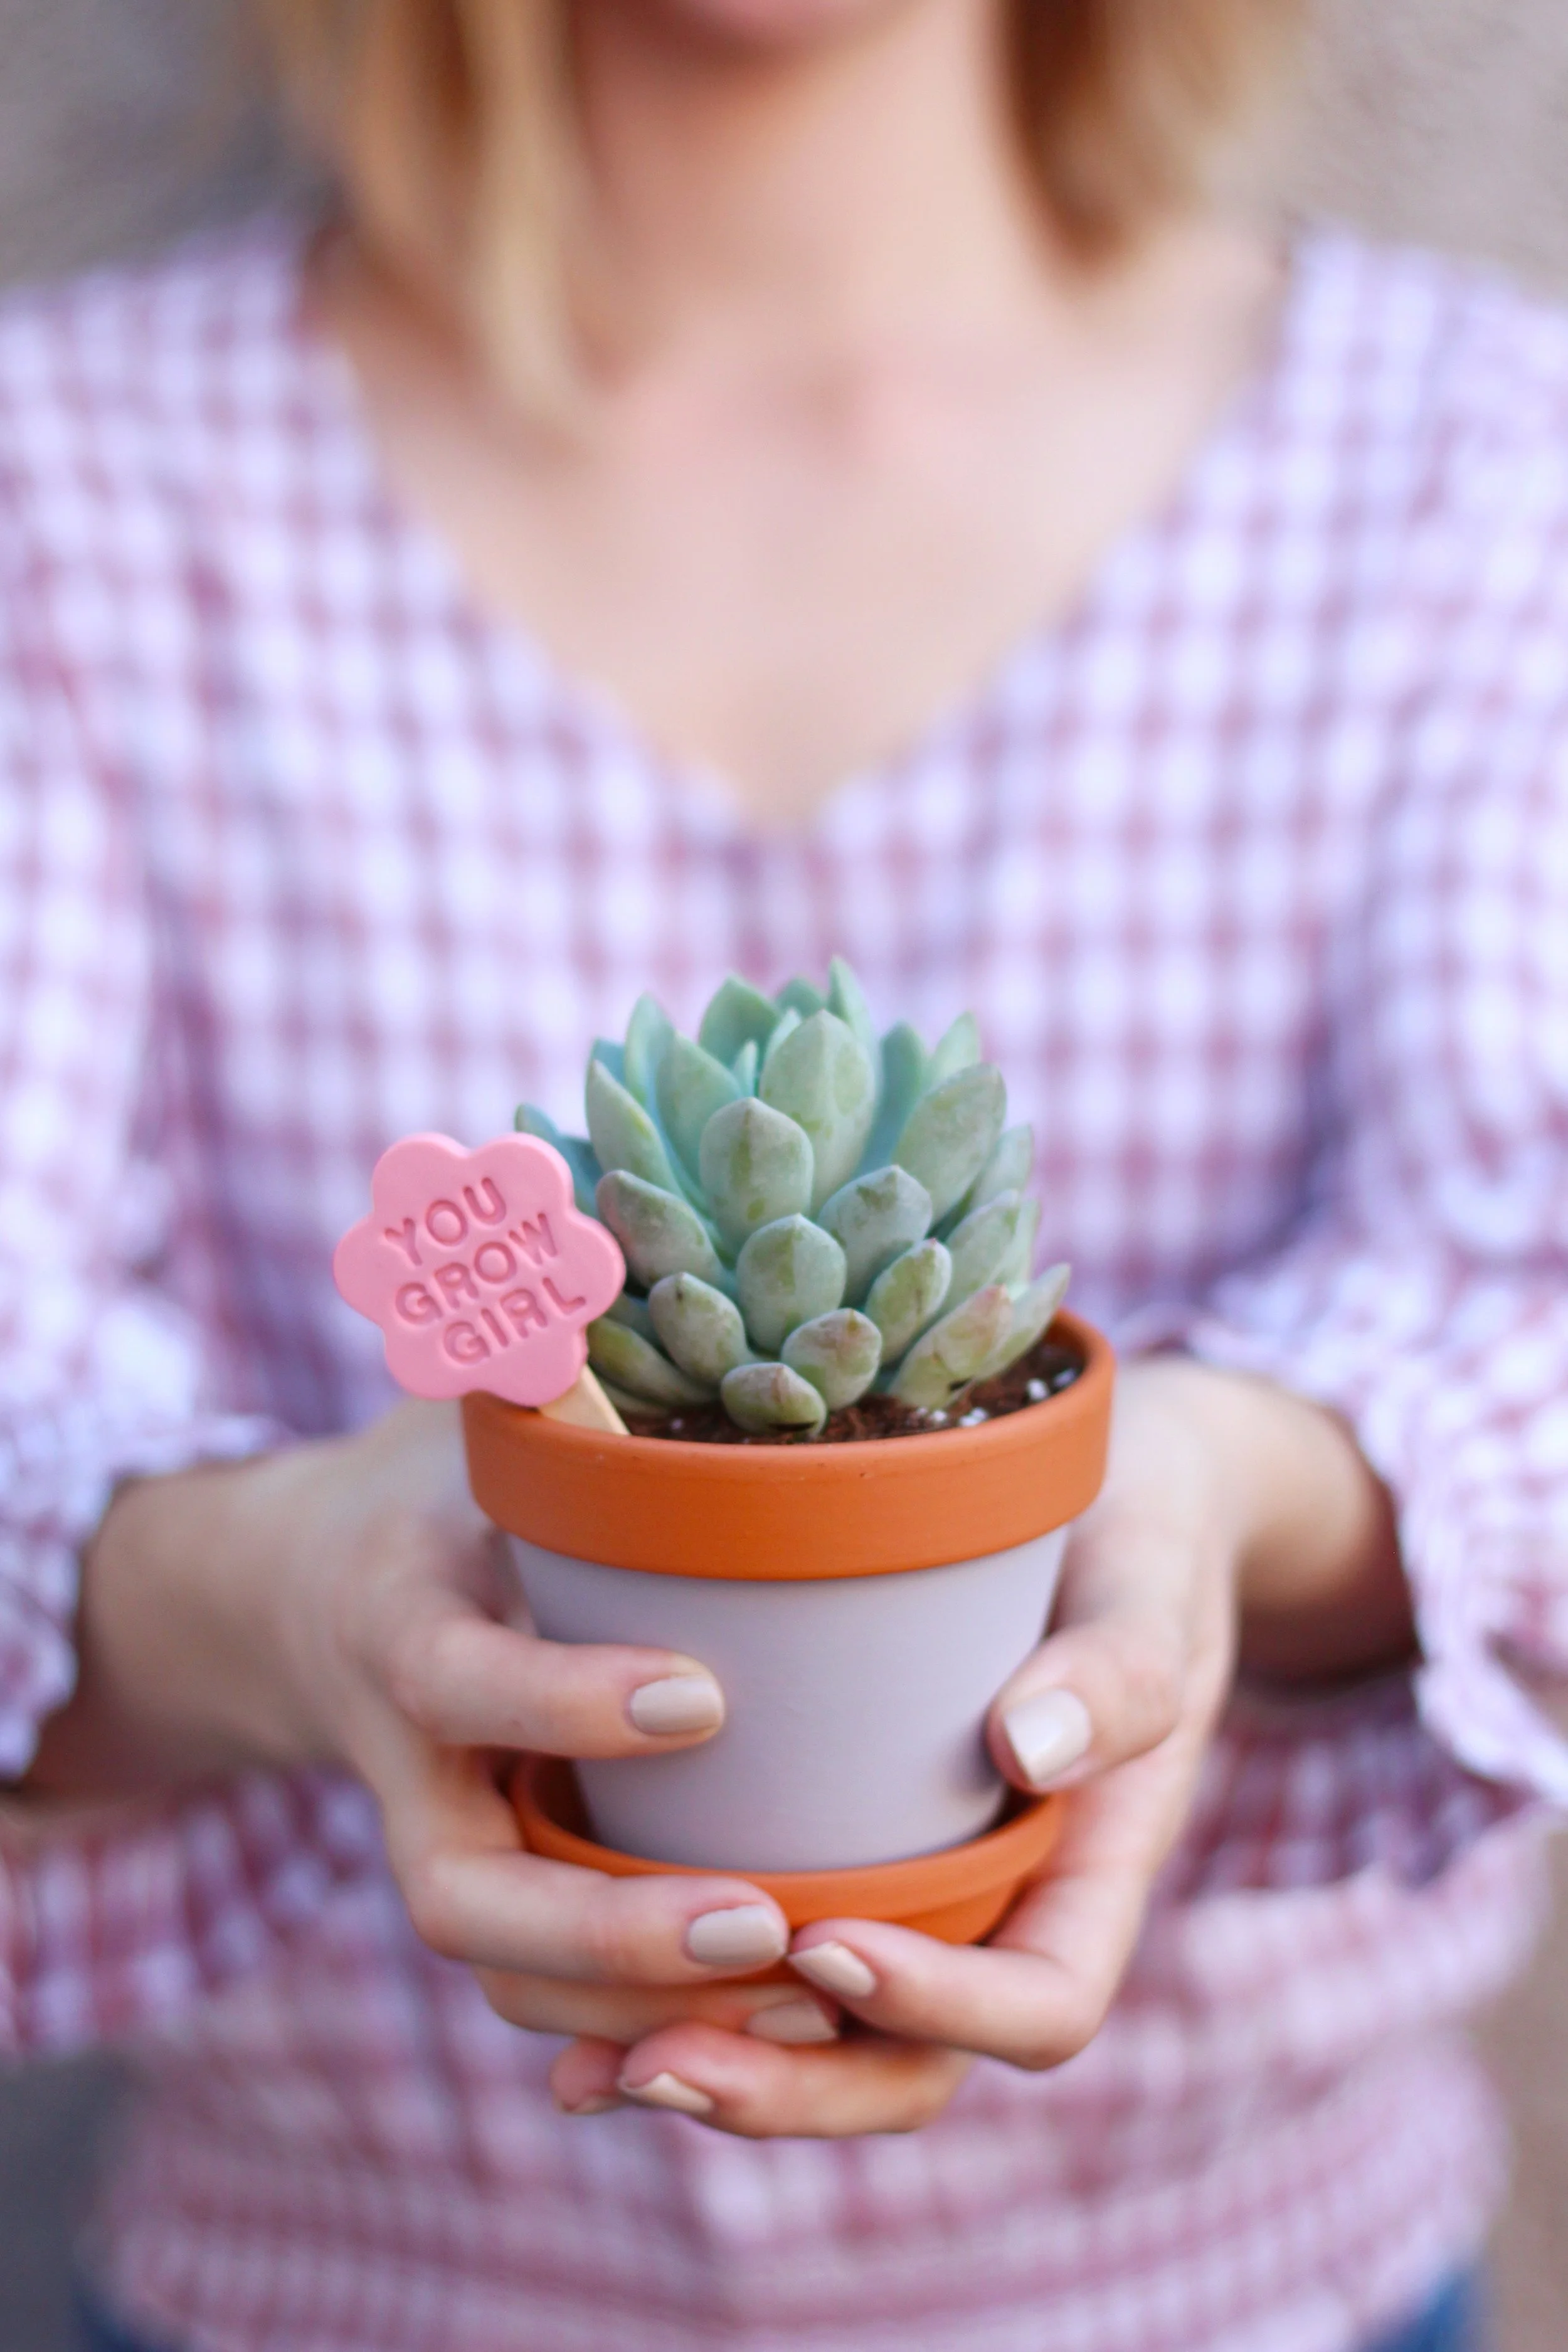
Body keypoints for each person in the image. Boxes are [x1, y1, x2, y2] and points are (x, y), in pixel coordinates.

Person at [1, 1, 1564, 2346]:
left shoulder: (1480, 467)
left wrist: (1225, 1503)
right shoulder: (66, 486)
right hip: (326, 2294)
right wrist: (285, 1585)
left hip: (1262, 2294)